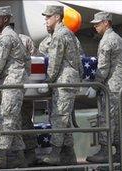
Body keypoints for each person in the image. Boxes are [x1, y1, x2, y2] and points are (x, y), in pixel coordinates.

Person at [0, 6, 31, 168]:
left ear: (6, 19)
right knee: (14, 121)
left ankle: (2, 155)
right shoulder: (11, 36)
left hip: (11, 84)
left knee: (6, 118)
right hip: (13, 83)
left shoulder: (6, 38)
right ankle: (19, 157)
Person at [38, 5, 83, 165]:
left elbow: (55, 62)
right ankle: (69, 156)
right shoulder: (70, 34)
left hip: (63, 81)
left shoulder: (59, 35)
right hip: (70, 81)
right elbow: (79, 60)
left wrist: (47, 81)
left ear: (57, 17)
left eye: (48, 17)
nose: (46, 20)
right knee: (65, 119)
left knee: (59, 118)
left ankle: (55, 154)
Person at [86, 11, 122, 163]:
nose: (95, 27)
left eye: (98, 24)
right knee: (115, 119)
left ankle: (105, 152)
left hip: (113, 86)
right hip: (121, 84)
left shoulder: (107, 40)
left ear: (106, 23)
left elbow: (103, 68)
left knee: (106, 118)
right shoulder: (116, 38)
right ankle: (120, 152)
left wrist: (95, 86)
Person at [9, 22, 38, 165]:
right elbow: (34, 61)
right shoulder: (25, 40)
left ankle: (23, 154)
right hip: (27, 86)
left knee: (17, 120)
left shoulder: (3, 40)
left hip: (13, 87)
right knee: (24, 119)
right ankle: (28, 153)